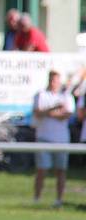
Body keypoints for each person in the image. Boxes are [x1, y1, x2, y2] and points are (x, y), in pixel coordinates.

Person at [32, 70, 74, 208]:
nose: (54, 83)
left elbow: (66, 115)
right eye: (52, 80)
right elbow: (38, 113)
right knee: (41, 170)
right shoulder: (41, 95)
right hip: (44, 137)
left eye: (56, 80)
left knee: (60, 170)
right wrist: (55, 109)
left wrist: (48, 113)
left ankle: (59, 201)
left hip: (61, 140)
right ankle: (36, 199)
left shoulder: (66, 96)